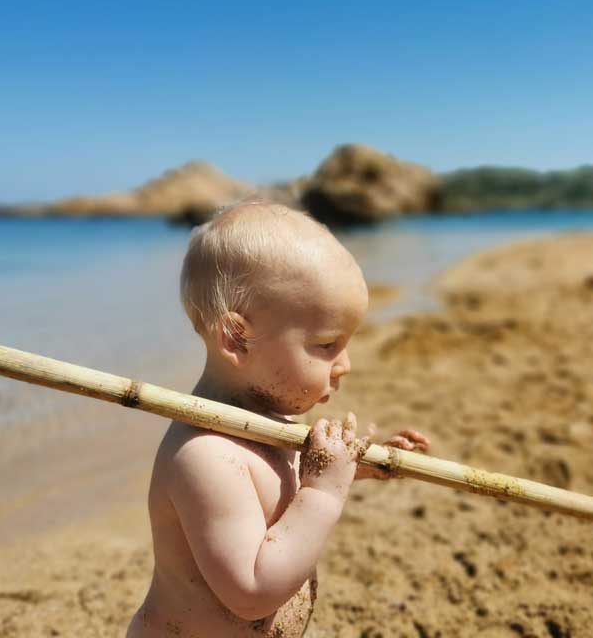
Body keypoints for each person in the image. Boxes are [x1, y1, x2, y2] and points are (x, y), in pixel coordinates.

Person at [127, 201, 429, 638]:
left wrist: (351, 470)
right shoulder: (206, 457)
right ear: (237, 338)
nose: (344, 364)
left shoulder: (270, 422)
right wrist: (324, 493)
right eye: (326, 345)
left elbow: (280, 491)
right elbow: (251, 590)